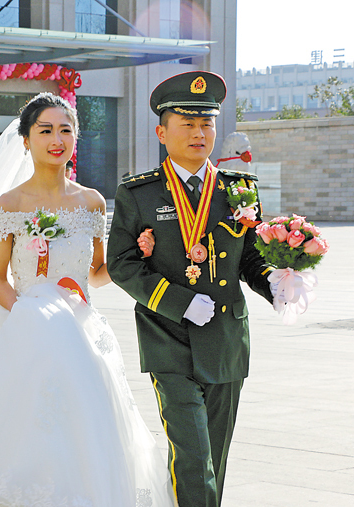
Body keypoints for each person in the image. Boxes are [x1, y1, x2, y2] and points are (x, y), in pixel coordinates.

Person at [0, 92, 171, 507]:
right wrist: (27, 312)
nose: (57, 139)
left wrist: (137, 256)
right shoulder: (9, 204)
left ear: (76, 139)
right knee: (20, 424)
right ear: (26, 140)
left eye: (65, 130)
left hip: (79, 330)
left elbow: (96, 274)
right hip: (23, 326)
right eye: (45, 130)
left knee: (84, 426)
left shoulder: (91, 201)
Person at [106, 71, 282, 507]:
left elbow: (249, 257)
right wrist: (179, 303)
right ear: (162, 132)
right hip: (169, 338)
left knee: (215, 457)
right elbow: (121, 263)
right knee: (192, 454)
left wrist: (275, 282)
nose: (199, 133)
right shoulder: (139, 193)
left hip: (225, 338)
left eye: (207, 123)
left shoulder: (240, 190)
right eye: (187, 124)